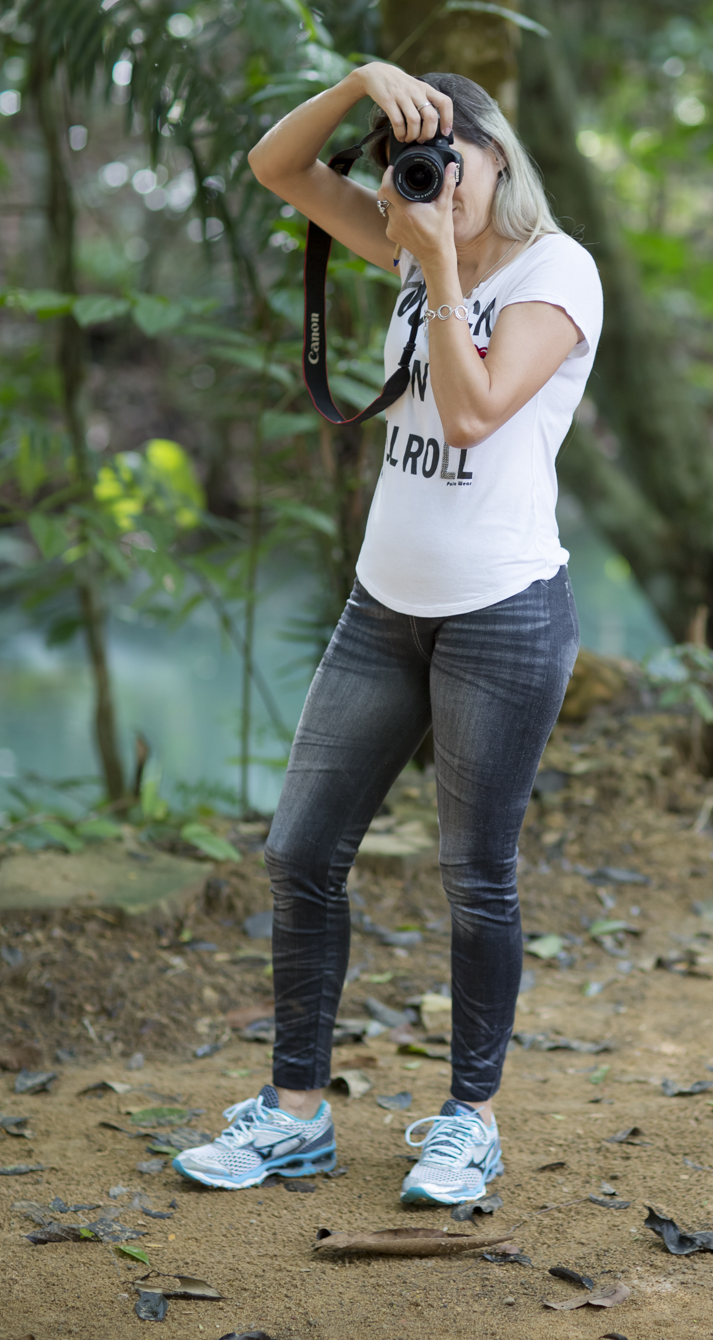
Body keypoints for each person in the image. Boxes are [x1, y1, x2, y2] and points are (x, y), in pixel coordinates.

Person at [174, 62, 602, 1204]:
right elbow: (276, 166)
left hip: (504, 619)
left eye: (448, 159)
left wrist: (442, 255)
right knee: (302, 851)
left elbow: (469, 414)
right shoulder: (411, 241)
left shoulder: (560, 273)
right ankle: (297, 1113)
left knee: (476, 875)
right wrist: (362, 80)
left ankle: (469, 1120)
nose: (430, 186)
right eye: (413, 164)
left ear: (498, 155)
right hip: (382, 610)